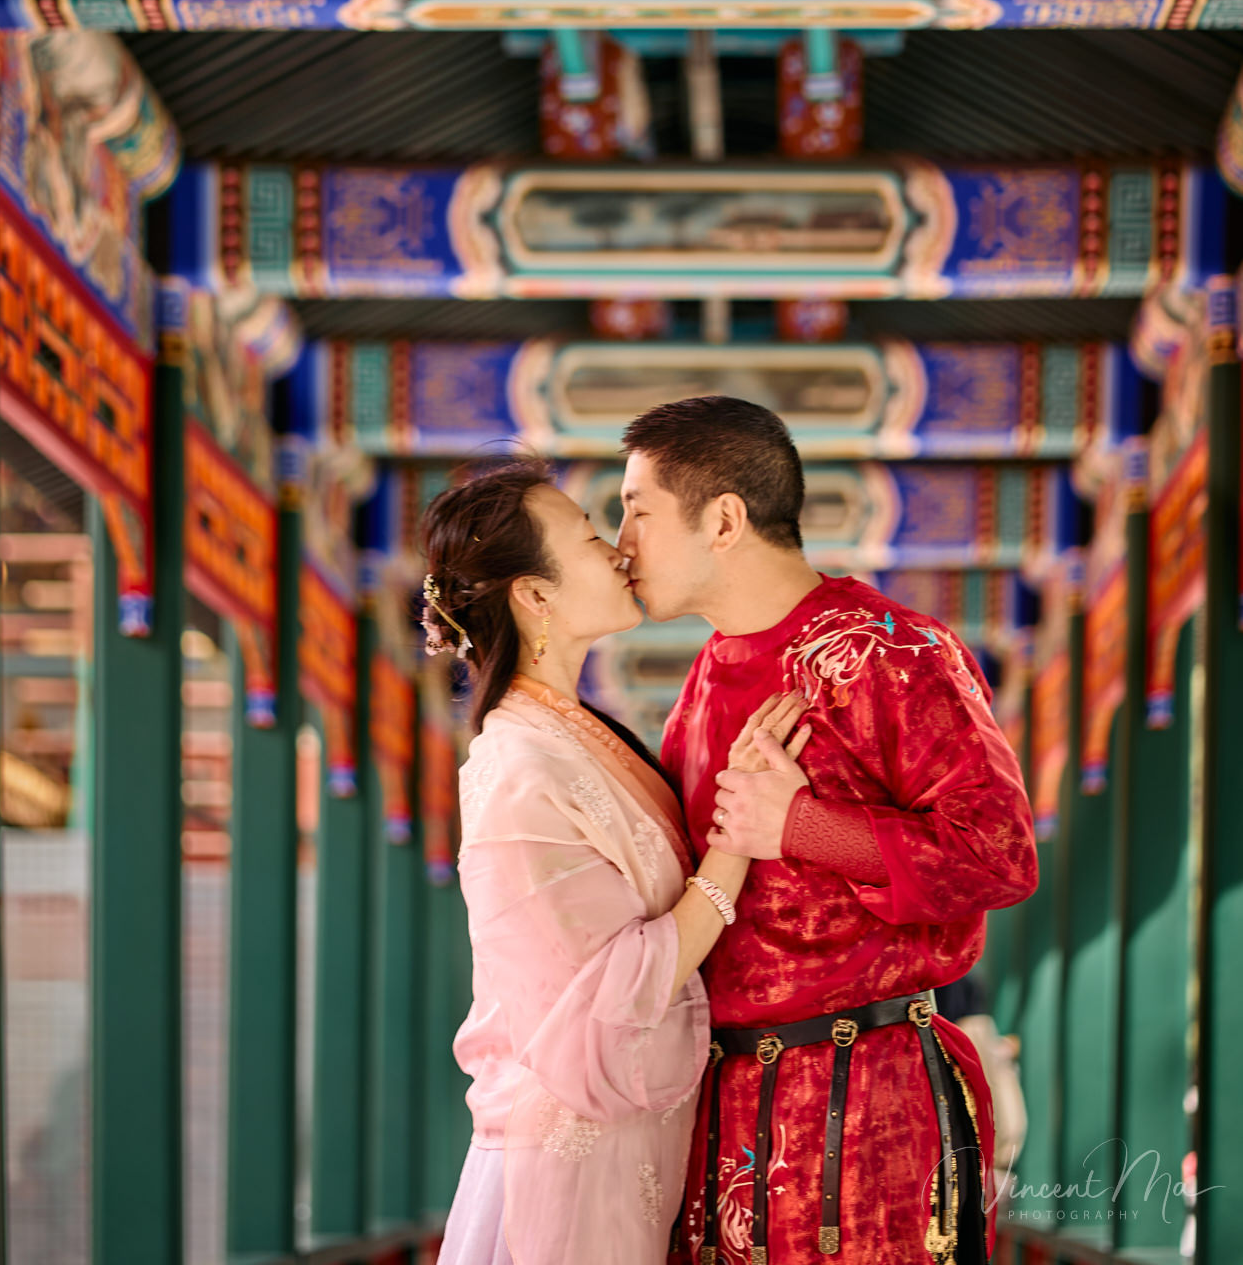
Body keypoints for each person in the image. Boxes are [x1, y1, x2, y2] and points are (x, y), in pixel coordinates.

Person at [618, 396, 1039, 1264]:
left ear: (724, 519)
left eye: (637, 510)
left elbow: (1000, 856)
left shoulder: (896, 652)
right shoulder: (702, 680)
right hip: (723, 1115)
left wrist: (804, 826)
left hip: (872, 1108)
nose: (620, 540)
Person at [422, 457, 811, 1265]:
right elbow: (611, 988)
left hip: (633, 1141)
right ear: (534, 595)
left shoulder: (576, 736)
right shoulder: (515, 768)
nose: (619, 551)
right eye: (592, 535)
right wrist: (740, 838)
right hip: (570, 1160)